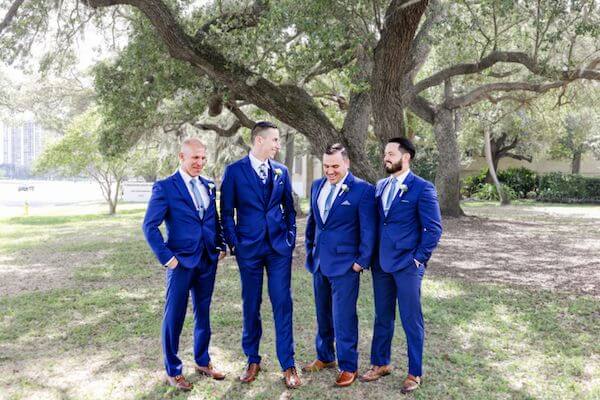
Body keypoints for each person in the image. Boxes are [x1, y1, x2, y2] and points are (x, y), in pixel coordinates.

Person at [220, 121, 301, 389]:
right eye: (275, 140)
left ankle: (288, 364)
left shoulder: (281, 171)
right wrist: (235, 244)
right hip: (249, 250)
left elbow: (289, 209)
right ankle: (252, 359)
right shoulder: (234, 172)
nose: (278, 145)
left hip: (278, 249)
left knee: (282, 303)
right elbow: (226, 213)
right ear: (259, 141)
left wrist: (289, 238)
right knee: (251, 304)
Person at [142, 138, 227, 391]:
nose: (199, 163)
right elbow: (149, 226)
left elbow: (213, 219)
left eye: (203, 158)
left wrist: (220, 245)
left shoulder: (209, 185)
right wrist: (167, 257)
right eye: (194, 158)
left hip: (207, 260)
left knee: (203, 313)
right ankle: (173, 369)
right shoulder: (165, 187)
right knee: (174, 316)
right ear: (181, 157)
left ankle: (203, 361)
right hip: (180, 263)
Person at [360, 137, 442, 394]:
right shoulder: (381, 185)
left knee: (411, 319)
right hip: (381, 264)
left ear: (406, 157)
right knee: (382, 316)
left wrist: (418, 259)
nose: (385, 157)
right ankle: (381, 363)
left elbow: (434, 229)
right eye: (384, 152)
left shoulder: (422, 188)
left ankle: (415, 372)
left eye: (391, 153)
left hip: (407, 265)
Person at [302, 144, 376, 387]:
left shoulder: (362, 190)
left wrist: (360, 262)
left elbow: (368, 230)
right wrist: (310, 249)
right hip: (319, 262)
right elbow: (314, 223)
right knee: (322, 313)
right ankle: (325, 356)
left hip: (346, 266)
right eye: (326, 166)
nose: (330, 171)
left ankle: (347, 365)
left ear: (346, 164)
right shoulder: (316, 186)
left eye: (335, 166)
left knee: (343, 317)